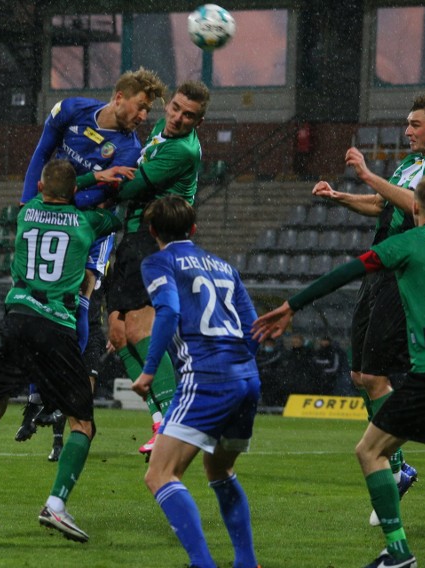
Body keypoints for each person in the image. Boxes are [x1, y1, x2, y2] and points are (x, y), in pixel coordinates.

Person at [253, 176, 425, 568]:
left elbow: (349, 272)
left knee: (370, 450)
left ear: (414, 208)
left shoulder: (408, 243)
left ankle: (398, 552)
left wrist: (293, 305)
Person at [0, 160, 122, 544]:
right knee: (83, 423)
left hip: (16, 317)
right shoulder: (86, 223)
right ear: (75, 194)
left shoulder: (27, 210)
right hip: (56, 326)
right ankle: (56, 505)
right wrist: (109, 181)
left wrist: (84, 178)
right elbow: (116, 214)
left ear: (43, 184)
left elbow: (58, 185)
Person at [310, 93, 425, 522]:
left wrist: (366, 173)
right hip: (381, 264)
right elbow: (380, 206)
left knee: (376, 374)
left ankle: (393, 466)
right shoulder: (409, 164)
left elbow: (416, 207)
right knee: (360, 373)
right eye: (407, 123)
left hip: (406, 269)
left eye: (415, 124)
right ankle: (399, 468)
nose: (407, 130)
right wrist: (339, 195)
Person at [14, 68, 167, 455]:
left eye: (148, 111)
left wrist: (54, 199)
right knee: (38, 301)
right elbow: (42, 150)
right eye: (141, 106)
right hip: (54, 207)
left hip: (87, 223)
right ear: (119, 97)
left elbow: (103, 200)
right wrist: (27, 197)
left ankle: (67, 385)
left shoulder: (131, 150)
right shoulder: (71, 110)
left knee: (78, 300)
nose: (144, 116)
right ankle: (37, 395)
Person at [132, 195, 261, 568]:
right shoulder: (223, 266)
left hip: (206, 376)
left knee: (159, 474)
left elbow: (170, 310)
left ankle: (203, 564)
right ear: (193, 228)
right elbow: (253, 327)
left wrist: (150, 368)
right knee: (219, 469)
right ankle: (246, 562)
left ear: (153, 231)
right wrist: (238, 367)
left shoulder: (158, 261)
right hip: (246, 378)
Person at [106, 80, 211, 457]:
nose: (179, 118)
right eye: (176, 109)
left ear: (199, 122)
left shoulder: (182, 151)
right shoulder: (158, 131)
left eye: (189, 116)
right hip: (135, 239)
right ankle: (158, 420)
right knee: (118, 333)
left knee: (137, 328)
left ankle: (174, 420)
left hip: (155, 241)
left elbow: (126, 190)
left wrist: (87, 175)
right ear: (169, 105)